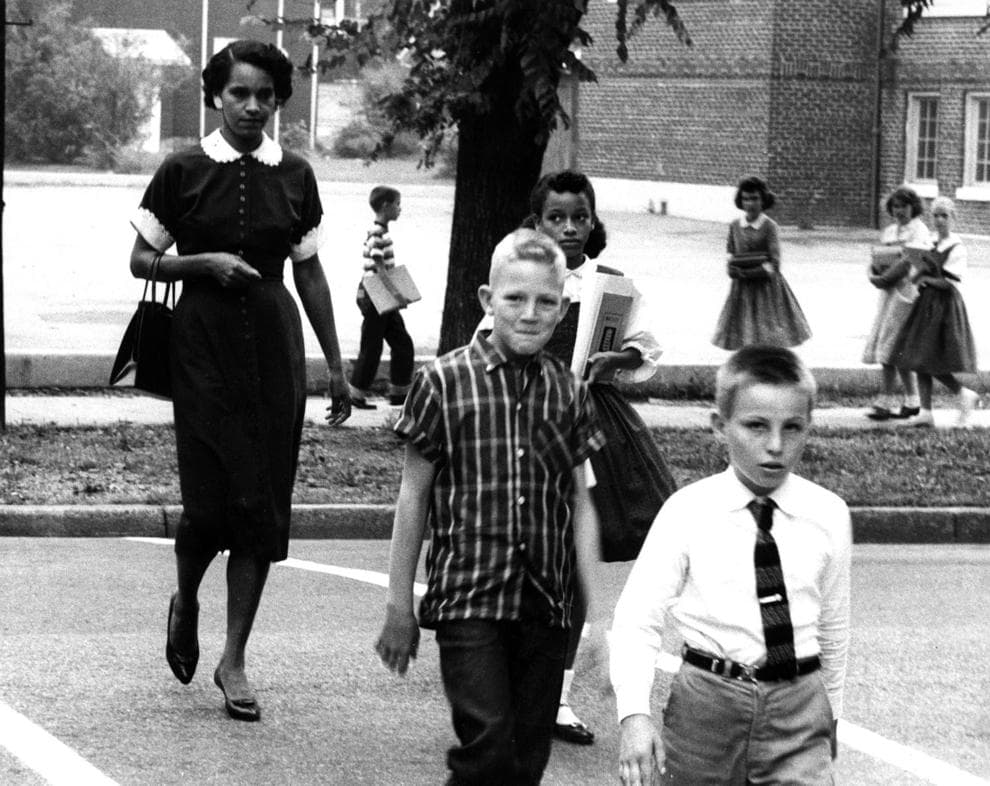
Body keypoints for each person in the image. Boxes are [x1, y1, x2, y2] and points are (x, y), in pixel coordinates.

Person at [129, 40, 351, 722]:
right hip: (202, 350)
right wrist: (202, 265)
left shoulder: (296, 173)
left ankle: (235, 659)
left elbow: (309, 271)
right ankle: (186, 598)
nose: (252, 106)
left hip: (274, 351)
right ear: (216, 97)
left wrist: (337, 365)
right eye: (238, 94)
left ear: (280, 100)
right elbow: (141, 260)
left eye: (265, 95)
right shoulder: (184, 168)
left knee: (260, 509)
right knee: (206, 505)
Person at [375, 228, 606, 785]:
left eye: (546, 301)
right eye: (514, 299)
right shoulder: (442, 382)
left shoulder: (569, 393)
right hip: (469, 600)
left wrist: (596, 615)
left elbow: (582, 501)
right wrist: (399, 605)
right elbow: (414, 498)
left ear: (563, 307)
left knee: (527, 759)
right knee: (489, 742)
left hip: (545, 604)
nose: (530, 314)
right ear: (487, 301)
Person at [611, 345, 851, 786]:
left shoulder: (828, 514)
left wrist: (829, 715)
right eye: (756, 426)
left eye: (792, 427)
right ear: (720, 426)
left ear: (808, 427)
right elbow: (636, 620)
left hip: (800, 707)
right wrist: (634, 716)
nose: (775, 446)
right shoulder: (687, 511)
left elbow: (833, 629)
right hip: (708, 704)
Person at [520, 169, 672, 746]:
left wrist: (619, 359)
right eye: (555, 217)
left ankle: (557, 697)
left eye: (579, 217)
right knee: (529, 558)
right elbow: (492, 337)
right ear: (538, 223)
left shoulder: (611, 284)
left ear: (593, 220)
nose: (569, 228)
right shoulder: (525, 278)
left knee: (576, 563)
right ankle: (517, 682)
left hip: (590, 426)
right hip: (526, 425)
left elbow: (645, 345)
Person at [891, 197, 980, 427]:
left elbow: (949, 283)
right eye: (936, 215)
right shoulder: (931, 242)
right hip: (926, 303)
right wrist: (916, 272)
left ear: (954, 219)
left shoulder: (956, 246)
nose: (939, 220)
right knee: (919, 357)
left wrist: (927, 278)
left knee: (931, 358)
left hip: (944, 307)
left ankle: (963, 393)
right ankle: (926, 411)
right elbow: (920, 269)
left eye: (945, 215)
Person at [712, 176, 811, 350]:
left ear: (763, 200)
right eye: (746, 199)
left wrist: (753, 272)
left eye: (755, 198)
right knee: (744, 332)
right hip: (742, 289)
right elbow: (730, 251)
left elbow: (774, 262)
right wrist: (731, 268)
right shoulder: (735, 226)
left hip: (766, 289)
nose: (750, 204)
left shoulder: (770, 226)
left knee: (766, 334)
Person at [862, 186, 926, 421]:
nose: (899, 211)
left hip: (906, 293)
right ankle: (912, 400)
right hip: (888, 293)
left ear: (914, 207)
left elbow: (909, 261)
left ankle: (885, 401)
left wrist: (884, 278)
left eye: (904, 206)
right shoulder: (889, 231)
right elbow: (878, 259)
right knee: (891, 345)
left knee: (893, 346)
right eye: (896, 206)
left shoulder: (919, 231)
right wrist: (872, 274)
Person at [348, 185, 415, 409]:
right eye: (397, 204)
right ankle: (355, 393)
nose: (400, 209)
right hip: (377, 293)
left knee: (401, 342)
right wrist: (397, 294)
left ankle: (399, 391)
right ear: (385, 206)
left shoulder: (382, 233)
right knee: (372, 345)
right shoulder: (377, 234)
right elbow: (379, 269)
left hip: (382, 293)